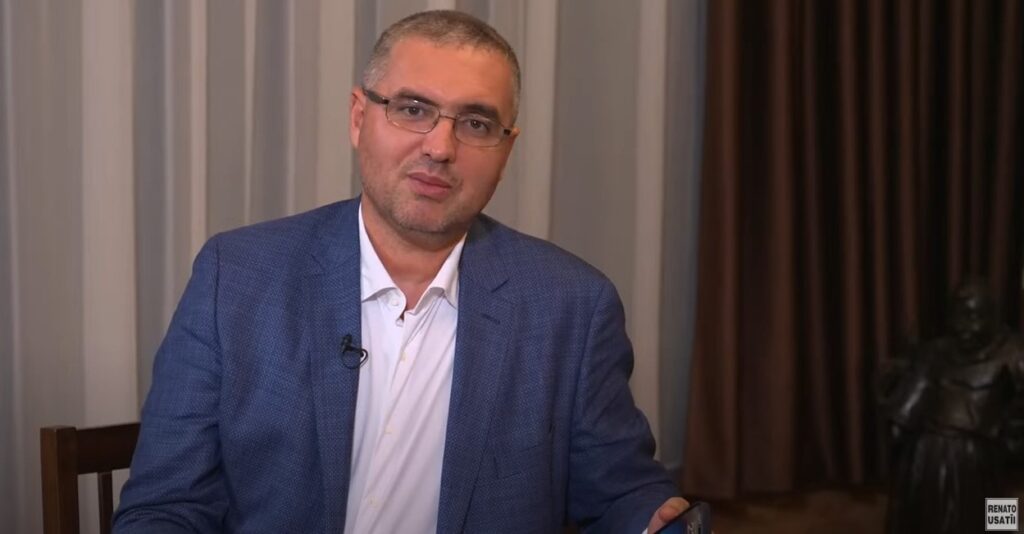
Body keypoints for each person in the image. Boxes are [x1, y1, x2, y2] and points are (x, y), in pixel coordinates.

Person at [114, 10, 686, 533]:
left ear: (506, 151)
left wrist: (655, 521)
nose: (440, 147)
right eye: (413, 110)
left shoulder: (572, 307)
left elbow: (620, 497)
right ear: (359, 118)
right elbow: (165, 508)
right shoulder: (235, 277)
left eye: (476, 124)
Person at [881, 279, 1024, 534]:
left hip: (991, 457)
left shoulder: (1014, 353)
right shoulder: (934, 352)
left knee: (999, 513)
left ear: (993, 317)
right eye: (958, 316)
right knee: (931, 518)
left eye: (973, 316)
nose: (963, 327)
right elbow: (907, 408)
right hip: (930, 456)